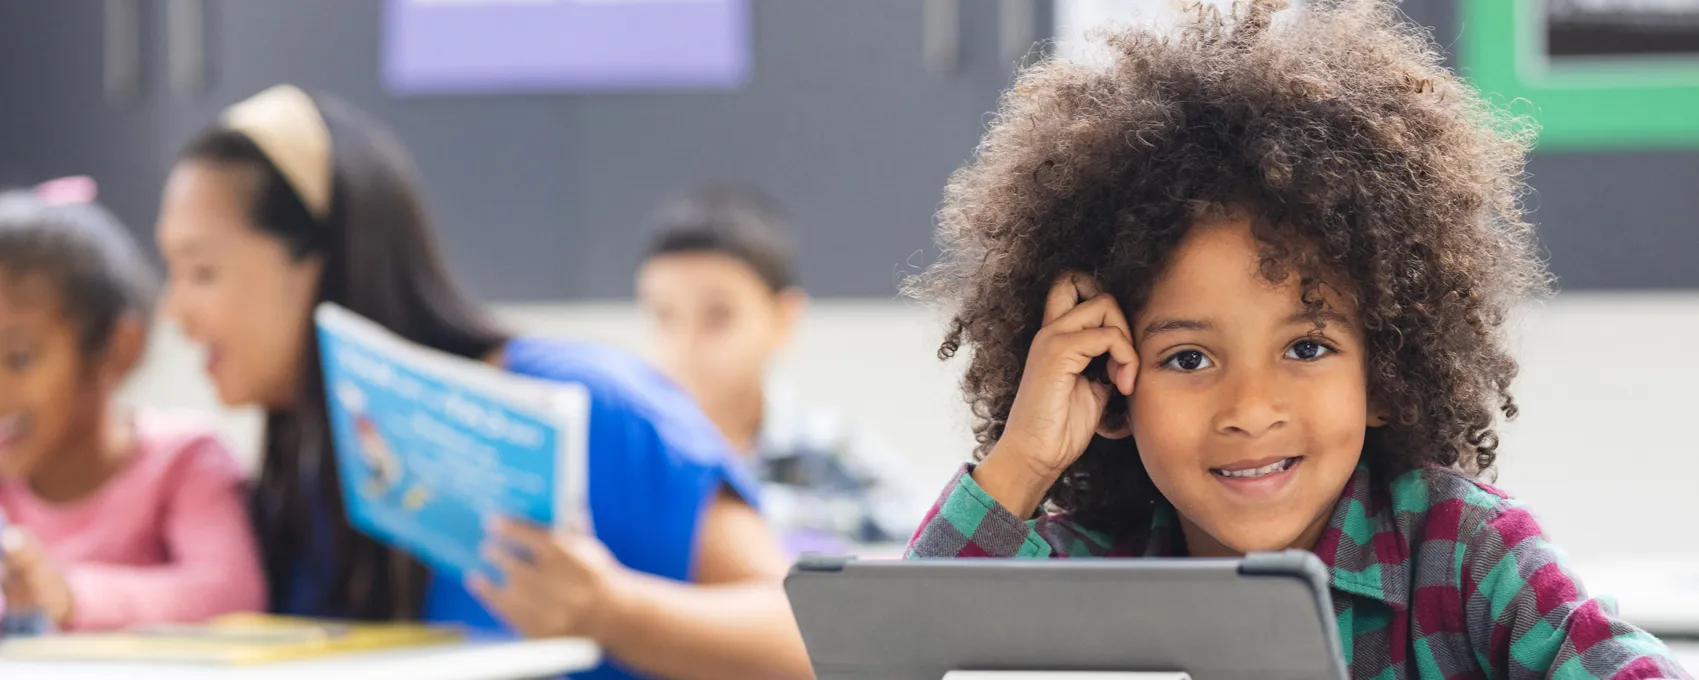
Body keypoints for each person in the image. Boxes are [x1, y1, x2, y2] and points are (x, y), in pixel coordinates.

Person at [903, 1, 1690, 678]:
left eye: (1306, 348)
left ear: (1383, 370)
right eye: (1188, 358)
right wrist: (1023, 460)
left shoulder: (1461, 548)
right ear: (1111, 383)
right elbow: (899, 658)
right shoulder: (1086, 570)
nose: (1249, 408)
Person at [154, 86, 810, 680]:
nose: (175, 312)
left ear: (320, 266)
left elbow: (806, 637)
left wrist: (614, 613)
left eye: (202, 271)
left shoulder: (583, 405)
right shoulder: (307, 482)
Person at [0, 177, 264, 631]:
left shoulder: (185, 463)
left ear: (116, 349)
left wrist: (68, 596)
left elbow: (233, 593)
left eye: (19, 358)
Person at [637, 185, 926, 549]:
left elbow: (921, 537)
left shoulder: (829, 445)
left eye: (718, 316)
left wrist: (743, 511)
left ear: (783, 317)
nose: (685, 345)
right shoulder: (636, 447)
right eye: (664, 316)